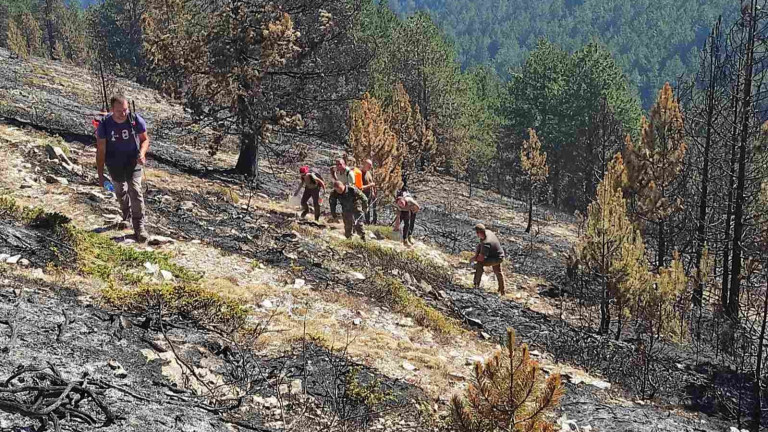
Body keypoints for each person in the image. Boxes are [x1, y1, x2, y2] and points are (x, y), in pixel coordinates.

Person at [96, 95, 150, 242]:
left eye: (125, 110)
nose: (123, 114)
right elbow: (101, 151)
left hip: (133, 160)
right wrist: (100, 175)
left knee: (135, 190)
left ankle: (139, 227)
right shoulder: (104, 125)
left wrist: (142, 154)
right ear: (112, 110)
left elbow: (145, 140)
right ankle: (126, 215)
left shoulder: (134, 119)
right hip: (114, 163)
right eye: (119, 111)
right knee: (120, 191)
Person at [470, 224, 506, 296]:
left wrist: (472, 260)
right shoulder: (488, 232)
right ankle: (502, 290)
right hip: (498, 254)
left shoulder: (486, 243)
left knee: (479, 264)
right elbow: (479, 246)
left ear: (478, 233)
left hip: (496, 258)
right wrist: (476, 255)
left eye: (477, 233)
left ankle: (476, 284)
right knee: (498, 272)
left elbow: (481, 258)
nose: (477, 235)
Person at [361, 159, 377, 224]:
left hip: (370, 192)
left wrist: (373, 191)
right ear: (364, 164)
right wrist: (370, 185)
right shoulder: (360, 173)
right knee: (365, 208)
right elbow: (360, 186)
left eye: (371, 165)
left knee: (370, 208)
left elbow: (371, 182)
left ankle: (370, 222)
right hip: (363, 193)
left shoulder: (368, 172)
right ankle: (366, 222)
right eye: (369, 165)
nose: (370, 167)